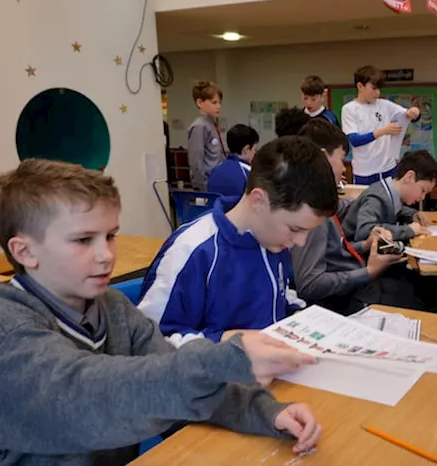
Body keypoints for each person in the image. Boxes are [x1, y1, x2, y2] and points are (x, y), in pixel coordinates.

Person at [0, 159, 321, 466]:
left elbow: (169, 372)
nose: (105, 255)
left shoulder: (112, 308)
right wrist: (225, 359)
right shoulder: (3, 330)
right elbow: (92, 398)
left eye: (110, 235)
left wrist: (268, 412)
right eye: (83, 240)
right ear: (25, 252)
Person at [138, 137, 339, 344]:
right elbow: (150, 343)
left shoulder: (273, 241)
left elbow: (278, 296)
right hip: (218, 373)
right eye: (295, 229)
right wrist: (231, 342)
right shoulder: (193, 251)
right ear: (259, 201)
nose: (301, 242)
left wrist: (296, 315)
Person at [291, 119, 420, 313]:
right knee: (412, 296)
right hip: (344, 298)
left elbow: (334, 251)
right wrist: (368, 272)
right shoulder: (312, 211)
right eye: (341, 159)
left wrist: (366, 244)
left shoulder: (318, 200)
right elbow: (310, 284)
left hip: (353, 283)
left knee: (412, 288)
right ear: (323, 158)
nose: (344, 169)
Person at [340, 65, 421, 184]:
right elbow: (354, 140)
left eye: (379, 89)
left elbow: (408, 116)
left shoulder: (384, 105)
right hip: (364, 173)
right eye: (373, 88)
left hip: (388, 169)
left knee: (390, 202)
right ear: (360, 86)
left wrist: (414, 112)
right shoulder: (349, 109)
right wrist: (383, 131)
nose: (377, 93)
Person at [342, 150, 437, 243]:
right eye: (423, 190)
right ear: (409, 177)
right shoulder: (376, 198)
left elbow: (394, 209)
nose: (422, 197)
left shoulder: (390, 195)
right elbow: (364, 231)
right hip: (353, 256)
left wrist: (412, 214)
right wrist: (408, 230)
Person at [186, 80, 225, 191]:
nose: (219, 106)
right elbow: (195, 161)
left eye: (219, 102)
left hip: (217, 179)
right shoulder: (199, 126)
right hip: (206, 184)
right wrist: (202, 185)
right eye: (214, 102)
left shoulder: (212, 124)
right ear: (200, 103)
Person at [206, 124, 259, 203]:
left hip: (215, 213)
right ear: (247, 149)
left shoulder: (215, 170)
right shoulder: (249, 173)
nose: (255, 153)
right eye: (255, 149)